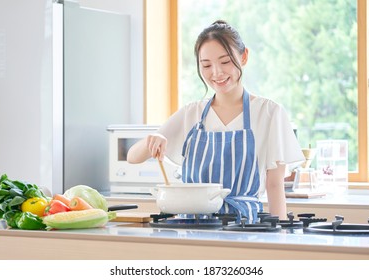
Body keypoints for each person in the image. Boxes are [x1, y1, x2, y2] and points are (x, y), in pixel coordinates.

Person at [127, 20, 305, 223]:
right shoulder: (191, 113)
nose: (217, 72)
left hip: (245, 228)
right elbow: (133, 156)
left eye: (225, 61)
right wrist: (152, 139)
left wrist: (279, 237)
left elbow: (275, 185)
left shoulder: (269, 112)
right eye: (207, 65)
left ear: (244, 56)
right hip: (191, 229)